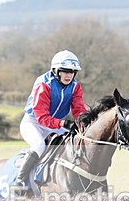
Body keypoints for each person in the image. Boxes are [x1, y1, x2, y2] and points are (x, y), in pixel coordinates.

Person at [13, 50, 87, 191]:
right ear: (56, 71)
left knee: (74, 139)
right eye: (65, 71)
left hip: (54, 124)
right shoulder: (44, 84)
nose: (69, 75)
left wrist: (84, 122)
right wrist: (63, 123)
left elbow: (79, 110)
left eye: (72, 72)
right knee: (39, 145)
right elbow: (41, 117)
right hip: (33, 122)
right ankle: (20, 182)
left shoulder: (75, 86)